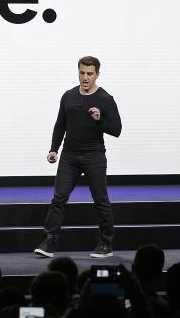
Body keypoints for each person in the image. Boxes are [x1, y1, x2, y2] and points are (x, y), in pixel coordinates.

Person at [34, 56, 122, 259]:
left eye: (89, 73)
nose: (85, 77)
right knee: (59, 198)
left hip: (94, 155)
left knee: (101, 200)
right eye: (82, 73)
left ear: (97, 74)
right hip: (69, 155)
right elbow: (60, 124)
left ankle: (106, 243)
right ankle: (49, 241)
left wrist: (100, 120)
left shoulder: (105, 99)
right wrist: (53, 149)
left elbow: (116, 130)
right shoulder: (68, 96)